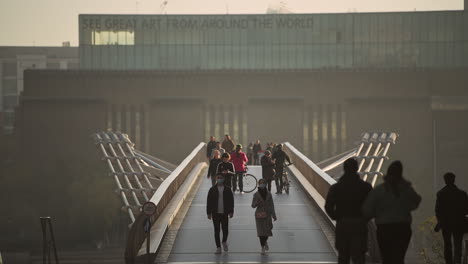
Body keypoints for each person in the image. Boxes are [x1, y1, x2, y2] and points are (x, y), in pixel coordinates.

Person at [362, 161, 421, 264]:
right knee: (399, 258)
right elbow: (416, 201)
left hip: (384, 229)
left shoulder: (379, 190)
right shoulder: (406, 189)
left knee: (386, 258)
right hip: (403, 228)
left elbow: (368, 209)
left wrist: (376, 214)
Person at [325, 158, 372, 264]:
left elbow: (328, 206)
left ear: (344, 169)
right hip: (359, 225)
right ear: (357, 168)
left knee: (343, 256)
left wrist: (336, 217)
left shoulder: (336, 188)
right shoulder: (366, 187)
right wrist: (364, 219)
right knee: (359, 257)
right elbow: (373, 206)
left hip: (343, 224)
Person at [435, 172, 468, 264]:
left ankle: (449, 262)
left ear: (445, 181)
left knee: (447, 246)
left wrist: (439, 222)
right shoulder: (462, 194)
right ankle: (457, 262)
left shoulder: (441, 194)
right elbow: (466, 209)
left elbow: (438, 210)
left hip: (446, 224)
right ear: (454, 180)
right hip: (459, 224)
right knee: (458, 246)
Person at [207, 174, 234, 254]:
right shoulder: (212, 189)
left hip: (224, 213)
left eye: (221, 178)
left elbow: (231, 201)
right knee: (217, 230)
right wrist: (209, 213)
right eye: (218, 178)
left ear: (224, 179)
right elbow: (209, 202)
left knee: (225, 229)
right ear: (216, 178)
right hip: (215, 213)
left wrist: (231, 211)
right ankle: (218, 247)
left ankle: (224, 241)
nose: (219, 179)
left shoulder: (228, 189)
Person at [251, 178, 277, 255]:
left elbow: (271, 205)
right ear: (259, 184)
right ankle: (262, 247)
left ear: (266, 184)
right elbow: (252, 205)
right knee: (261, 232)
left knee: (268, 230)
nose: (262, 184)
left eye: (263, 183)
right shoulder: (256, 194)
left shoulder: (269, 194)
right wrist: (256, 203)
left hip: (267, 214)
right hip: (259, 215)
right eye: (261, 183)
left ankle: (265, 241)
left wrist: (274, 215)